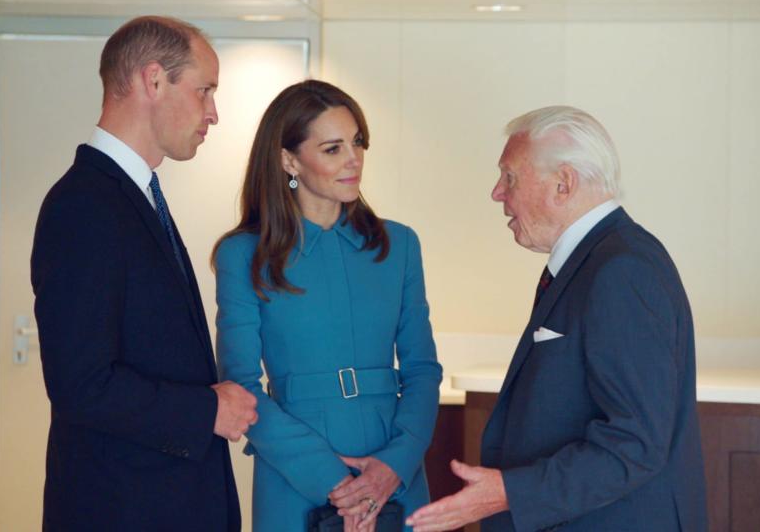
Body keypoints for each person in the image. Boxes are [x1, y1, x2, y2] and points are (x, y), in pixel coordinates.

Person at [407, 106, 707, 531]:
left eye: (510, 177)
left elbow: (634, 443)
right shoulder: (600, 260)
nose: (497, 193)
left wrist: (509, 493)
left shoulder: (620, 270)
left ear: (563, 183)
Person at [31, 16, 258, 531]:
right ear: (153, 80)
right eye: (204, 91)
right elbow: (81, 385)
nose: (213, 113)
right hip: (123, 509)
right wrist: (206, 412)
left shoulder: (133, 195)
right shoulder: (84, 205)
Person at [213, 79, 443, 531]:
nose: (353, 159)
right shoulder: (242, 255)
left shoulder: (399, 245)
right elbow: (240, 385)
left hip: (394, 470)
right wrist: (336, 483)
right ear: (288, 159)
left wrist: (391, 468)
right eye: (333, 148)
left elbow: (422, 370)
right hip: (298, 473)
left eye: (357, 143)